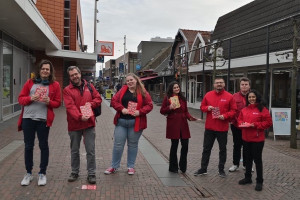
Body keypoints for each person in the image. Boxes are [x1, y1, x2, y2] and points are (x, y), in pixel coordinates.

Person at [18, 59, 61, 186]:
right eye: (43, 69)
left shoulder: (55, 85)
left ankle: (42, 173)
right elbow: (20, 99)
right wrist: (31, 98)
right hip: (28, 119)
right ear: (39, 70)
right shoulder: (30, 82)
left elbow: (58, 103)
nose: (45, 71)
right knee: (28, 146)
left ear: (50, 71)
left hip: (43, 120)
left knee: (43, 146)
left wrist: (49, 101)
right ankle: (28, 173)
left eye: (47, 69)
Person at [104, 73, 153, 175]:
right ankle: (114, 166)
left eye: (131, 80)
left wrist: (140, 112)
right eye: (128, 81)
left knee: (132, 145)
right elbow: (114, 101)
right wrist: (122, 109)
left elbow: (149, 105)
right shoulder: (123, 90)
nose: (129, 82)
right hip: (121, 122)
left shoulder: (143, 91)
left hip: (135, 123)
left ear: (136, 80)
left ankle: (131, 166)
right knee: (118, 145)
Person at [63, 66, 102, 184]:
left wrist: (91, 104)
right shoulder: (67, 90)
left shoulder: (89, 86)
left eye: (76, 74)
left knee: (90, 150)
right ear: (70, 77)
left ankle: (91, 173)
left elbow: (98, 99)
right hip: (74, 124)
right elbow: (70, 107)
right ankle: (75, 172)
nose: (75, 76)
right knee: (74, 150)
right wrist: (80, 116)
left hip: (89, 124)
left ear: (80, 74)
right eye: (72, 75)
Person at [194, 78, 237, 178]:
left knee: (222, 149)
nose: (219, 84)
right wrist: (207, 108)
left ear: (224, 84)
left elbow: (234, 111)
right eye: (217, 83)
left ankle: (221, 169)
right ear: (214, 84)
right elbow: (202, 107)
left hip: (222, 128)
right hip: (210, 127)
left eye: (221, 82)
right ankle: (203, 169)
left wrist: (225, 116)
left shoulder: (229, 96)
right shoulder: (208, 95)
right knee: (206, 149)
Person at [237, 90, 272, 191]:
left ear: (257, 97)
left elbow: (268, 122)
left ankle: (259, 181)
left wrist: (255, 125)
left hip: (257, 139)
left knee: (257, 160)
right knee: (247, 159)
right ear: (247, 99)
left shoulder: (263, 109)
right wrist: (242, 123)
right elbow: (239, 120)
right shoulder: (244, 110)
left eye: (253, 97)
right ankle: (248, 178)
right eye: (249, 97)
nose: (251, 99)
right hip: (246, 138)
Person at [160, 81, 197, 173]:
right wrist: (169, 108)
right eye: (175, 88)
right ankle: (173, 167)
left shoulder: (183, 98)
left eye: (178, 87)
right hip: (173, 123)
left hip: (183, 123)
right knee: (174, 145)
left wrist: (190, 117)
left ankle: (183, 166)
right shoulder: (168, 98)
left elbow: (186, 111)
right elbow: (162, 111)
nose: (177, 89)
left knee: (185, 145)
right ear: (171, 89)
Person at [229, 77, 251, 172]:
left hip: (249, 126)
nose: (244, 86)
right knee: (237, 145)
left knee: (248, 145)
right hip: (236, 125)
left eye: (246, 84)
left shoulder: (253, 96)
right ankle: (235, 164)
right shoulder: (234, 96)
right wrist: (237, 121)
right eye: (242, 84)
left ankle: (247, 164)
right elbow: (232, 110)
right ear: (240, 86)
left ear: (249, 86)